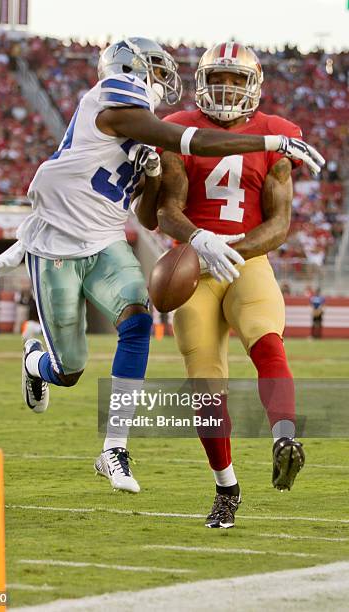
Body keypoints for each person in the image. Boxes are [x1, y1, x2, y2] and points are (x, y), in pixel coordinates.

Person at [0, 37, 324, 495]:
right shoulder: (129, 107)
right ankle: (38, 364)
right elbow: (168, 185)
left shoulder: (150, 126)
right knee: (92, 370)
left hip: (166, 248)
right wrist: (200, 234)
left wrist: (220, 234)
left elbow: (269, 223)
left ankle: (124, 447)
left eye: (232, 79)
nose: (220, 88)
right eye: (154, 72)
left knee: (185, 329)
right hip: (113, 253)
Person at [138, 42, 319, 526]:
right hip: (194, 261)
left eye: (237, 79)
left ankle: (284, 437)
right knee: (203, 374)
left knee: (266, 339)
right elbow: (166, 208)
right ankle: (227, 487)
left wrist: (231, 250)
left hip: (246, 257)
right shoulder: (180, 129)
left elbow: (279, 225)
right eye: (219, 77)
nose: (226, 87)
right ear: (201, 81)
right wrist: (202, 243)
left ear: (253, 85)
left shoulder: (277, 136)